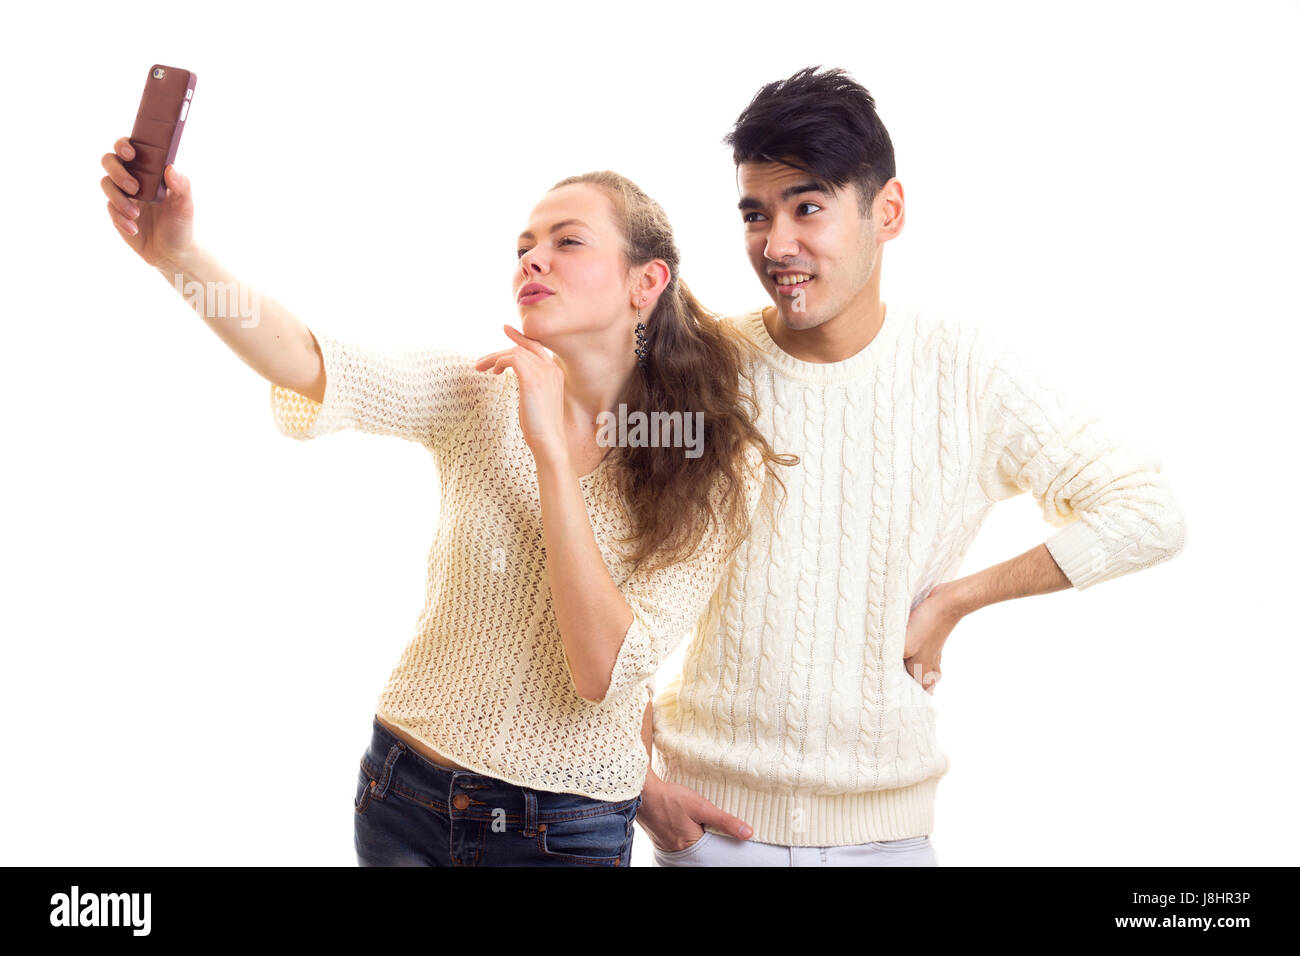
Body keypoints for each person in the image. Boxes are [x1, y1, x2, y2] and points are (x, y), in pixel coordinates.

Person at [100, 139, 793, 866]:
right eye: (525, 245)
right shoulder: (477, 395)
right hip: (403, 791)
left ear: (645, 282)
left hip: (562, 831)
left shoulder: (712, 467)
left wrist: (551, 455)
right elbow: (305, 359)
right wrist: (179, 256)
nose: (533, 258)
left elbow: (601, 673)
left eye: (568, 242)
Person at [635, 66, 1189, 866]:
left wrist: (954, 602)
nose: (776, 244)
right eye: (756, 214)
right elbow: (598, 554)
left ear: (886, 211)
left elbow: (1147, 512)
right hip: (715, 829)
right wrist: (638, 782)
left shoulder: (965, 371)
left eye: (808, 207)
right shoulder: (707, 367)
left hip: (887, 837)